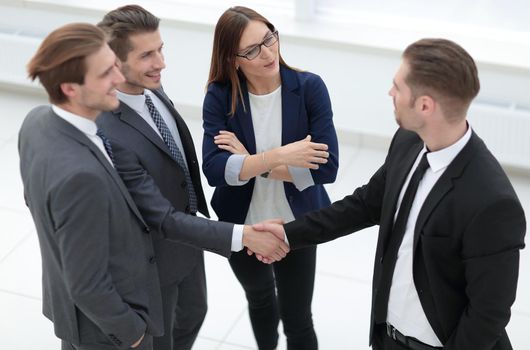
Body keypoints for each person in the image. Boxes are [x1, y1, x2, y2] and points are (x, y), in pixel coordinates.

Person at [20, 21, 286, 350]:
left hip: (178, 255)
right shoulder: (83, 173)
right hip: (125, 307)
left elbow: (41, 203)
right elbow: (87, 281)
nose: (117, 80)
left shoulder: (36, 121)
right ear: (70, 89)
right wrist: (132, 332)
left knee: (190, 317)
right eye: (107, 73)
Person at [255, 38, 526, 350]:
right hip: (388, 337)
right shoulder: (409, 140)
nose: (390, 93)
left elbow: (487, 315)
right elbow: (365, 204)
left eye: (398, 87)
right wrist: (288, 234)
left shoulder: (492, 203)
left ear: (425, 105)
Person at [95, 5, 289, 350]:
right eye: (147, 55)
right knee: (164, 338)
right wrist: (243, 236)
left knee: (194, 313)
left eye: (161, 49)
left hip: (186, 245)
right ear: (114, 61)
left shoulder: (151, 88)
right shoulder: (110, 130)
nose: (161, 63)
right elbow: (161, 218)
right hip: (153, 259)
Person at [202, 6, 339, 350]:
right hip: (242, 224)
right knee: (260, 299)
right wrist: (282, 157)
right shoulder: (220, 96)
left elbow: (326, 168)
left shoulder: (309, 88)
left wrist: (250, 162)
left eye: (269, 39)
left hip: (297, 222)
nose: (268, 53)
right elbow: (215, 169)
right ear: (233, 60)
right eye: (252, 50)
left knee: (297, 317)